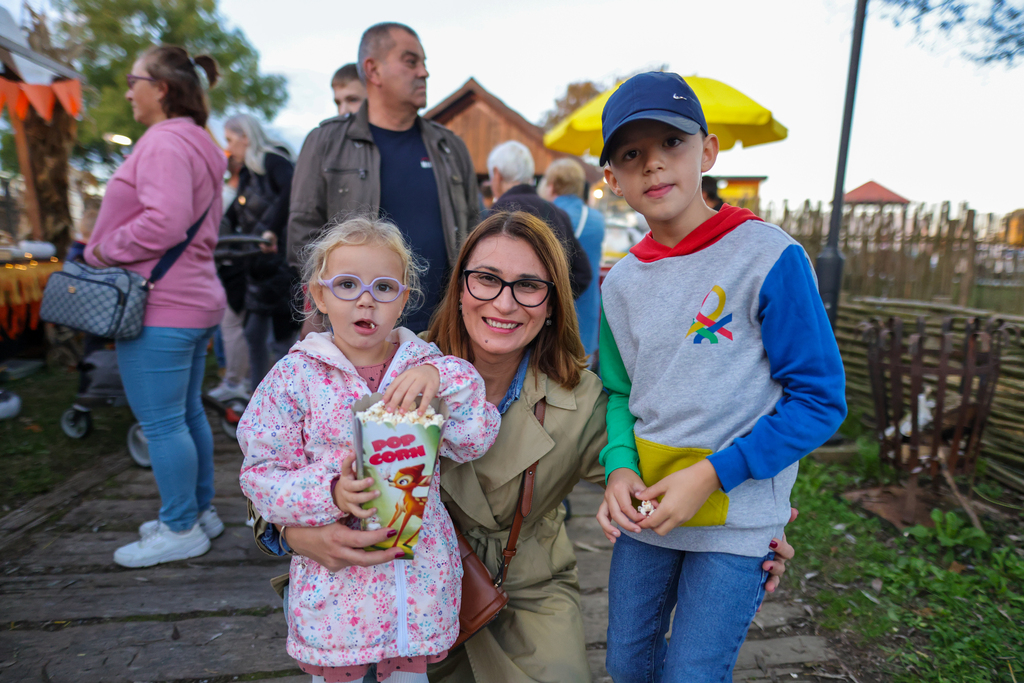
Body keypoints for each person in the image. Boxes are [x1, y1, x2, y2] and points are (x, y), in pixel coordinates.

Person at [249, 211, 795, 683]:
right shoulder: (383, 360)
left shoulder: (582, 398)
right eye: (486, 279)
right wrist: (295, 535)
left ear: (555, 302)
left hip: (525, 594)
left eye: (528, 286)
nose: (504, 303)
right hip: (399, 595)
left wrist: (748, 532)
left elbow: (651, 475)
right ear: (460, 287)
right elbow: (272, 467)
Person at [596, 71, 847, 681]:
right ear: (614, 180)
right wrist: (619, 467)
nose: (654, 165)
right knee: (628, 667)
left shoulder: (769, 257)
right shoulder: (620, 283)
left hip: (737, 520)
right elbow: (621, 392)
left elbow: (819, 401)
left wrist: (713, 473)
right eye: (633, 154)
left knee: (692, 674)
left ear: (707, 151)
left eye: (672, 144)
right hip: (647, 514)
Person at [239, 216, 500, 683]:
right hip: (337, 598)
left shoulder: (424, 366)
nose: (365, 299)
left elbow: (476, 438)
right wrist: (331, 491)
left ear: (402, 300)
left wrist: (444, 377)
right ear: (318, 296)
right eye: (346, 284)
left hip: (416, 592)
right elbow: (261, 477)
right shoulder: (293, 378)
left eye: (383, 287)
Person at [85, 45, 228, 567]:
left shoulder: (164, 141)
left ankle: (179, 526)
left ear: (161, 88)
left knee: (163, 422)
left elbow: (164, 223)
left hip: (159, 306)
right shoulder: (201, 143)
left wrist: (101, 249)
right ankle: (198, 511)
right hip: (191, 300)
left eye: (133, 79)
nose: (128, 91)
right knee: (185, 414)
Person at [289, 22, 479, 334]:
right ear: (373, 71)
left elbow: (474, 233)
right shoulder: (325, 143)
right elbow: (303, 241)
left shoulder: (450, 148)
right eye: (411, 61)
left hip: (442, 333)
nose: (424, 73)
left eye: (424, 63)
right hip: (354, 335)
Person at [220, 113, 298, 392]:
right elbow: (232, 215)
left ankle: (289, 397)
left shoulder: (273, 161)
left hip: (280, 264)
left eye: (230, 140)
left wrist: (272, 229)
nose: (229, 148)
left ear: (245, 136)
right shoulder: (248, 175)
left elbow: (292, 192)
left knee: (281, 338)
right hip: (257, 265)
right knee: (254, 335)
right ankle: (258, 396)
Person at [487, 141, 591, 299]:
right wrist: (551, 304)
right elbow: (583, 273)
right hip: (548, 319)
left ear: (497, 174)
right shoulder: (557, 212)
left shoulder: (496, 213)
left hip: (506, 318)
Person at [540, 158, 605, 361]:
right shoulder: (597, 220)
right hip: (587, 311)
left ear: (551, 185)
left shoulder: (545, 217)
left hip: (552, 314)